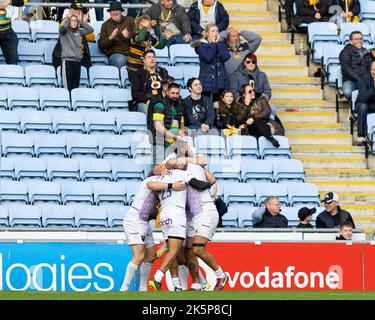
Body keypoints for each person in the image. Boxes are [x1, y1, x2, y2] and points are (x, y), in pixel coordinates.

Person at [166, 142, 228, 291]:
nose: (186, 147)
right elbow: (168, 164)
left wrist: (188, 162)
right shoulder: (180, 164)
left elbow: (208, 178)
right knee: (188, 251)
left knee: (197, 249)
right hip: (195, 214)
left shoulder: (196, 164)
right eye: (183, 146)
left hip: (206, 211)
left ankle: (221, 275)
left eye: (187, 146)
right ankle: (197, 284)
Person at [147, 164, 214, 291]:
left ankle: (178, 286)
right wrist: (209, 184)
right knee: (175, 251)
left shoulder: (160, 178)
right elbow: (199, 184)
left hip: (164, 215)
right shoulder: (182, 174)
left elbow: (150, 184)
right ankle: (157, 278)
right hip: (177, 214)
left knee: (175, 252)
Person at [120, 164, 185, 292]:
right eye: (162, 167)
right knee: (139, 256)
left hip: (144, 222)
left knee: (151, 256)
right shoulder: (151, 180)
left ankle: (142, 289)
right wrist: (172, 185)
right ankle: (124, 289)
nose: (165, 170)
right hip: (135, 219)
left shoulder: (160, 191)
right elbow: (152, 185)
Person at [127, 15, 172, 80]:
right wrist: (144, 28)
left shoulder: (150, 37)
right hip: (134, 67)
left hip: (145, 67)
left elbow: (159, 46)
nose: (148, 26)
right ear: (140, 26)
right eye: (146, 24)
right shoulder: (135, 34)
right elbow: (140, 38)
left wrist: (166, 38)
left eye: (149, 24)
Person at [194, 23, 230, 104]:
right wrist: (213, 44)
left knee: (219, 106)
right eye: (213, 31)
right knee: (205, 105)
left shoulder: (220, 43)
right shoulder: (201, 45)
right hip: (206, 81)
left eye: (217, 31)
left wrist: (218, 43)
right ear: (207, 33)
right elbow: (208, 57)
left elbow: (226, 57)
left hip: (220, 81)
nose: (216, 33)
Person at [52, 2, 95, 70]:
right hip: (65, 57)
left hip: (79, 56)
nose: (78, 12)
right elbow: (63, 30)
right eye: (76, 9)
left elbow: (91, 36)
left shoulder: (82, 23)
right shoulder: (65, 21)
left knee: (89, 70)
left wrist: (81, 22)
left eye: (80, 10)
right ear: (70, 10)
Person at [152, 83, 186, 163]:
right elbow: (158, 126)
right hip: (160, 143)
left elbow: (182, 125)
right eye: (173, 93)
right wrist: (173, 136)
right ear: (167, 92)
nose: (175, 96)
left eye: (177, 93)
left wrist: (181, 132)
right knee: (159, 169)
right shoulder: (160, 105)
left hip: (175, 145)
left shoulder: (179, 107)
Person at [59, 13, 94, 91]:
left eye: (76, 21)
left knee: (75, 87)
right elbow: (61, 30)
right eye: (72, 21)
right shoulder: (64, 32)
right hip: (68, 61)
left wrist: (80, 21)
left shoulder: (79, 31)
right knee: (67, 87)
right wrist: (67, 19)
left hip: (77, 61)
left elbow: (90, 30)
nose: (74, 22)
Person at [98, 1, 136, 70]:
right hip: (115, 54)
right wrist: (111, 37)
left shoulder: (130, 20)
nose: (115, 12)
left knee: (146, 59)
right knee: (121, 60)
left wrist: (128, 36)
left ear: (121, 11)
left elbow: (138, 39)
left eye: (117, 10)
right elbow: (101, 46)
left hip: (131, 53)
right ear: (110, 12)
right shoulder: (105, 25)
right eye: (112, 10)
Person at [130, 49, 169, 114]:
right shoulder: (138, 74)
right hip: (144, 102)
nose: (152, 59)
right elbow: (135, 93)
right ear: (144, 61)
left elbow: (169, 86)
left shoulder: (163, 72)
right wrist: (146, 100)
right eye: (149, 57)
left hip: (162, 100)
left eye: (153, 57)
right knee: (148, 109)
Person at [339, 31, 368, 101]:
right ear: (351, 41)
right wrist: (359, 79)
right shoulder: (345, 52)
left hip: (365, 80)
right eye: (356, 39)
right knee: (348, 92)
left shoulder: (366, 51)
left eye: (361, 39)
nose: (359, 41)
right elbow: (346, 69)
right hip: (350, 81)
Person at [353, 60, 375, 146]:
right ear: (370, 70)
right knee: (363, 106)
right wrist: (373, 88)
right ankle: (361, 137)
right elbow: (362, 98)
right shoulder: (363, 79)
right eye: (373, 70)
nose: (374, 72)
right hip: (364, 105)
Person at [0, 0, 24, 65]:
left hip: (7, 31)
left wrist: (9, 2)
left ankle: (12, 74)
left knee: (13, 60)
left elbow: (20, 2)